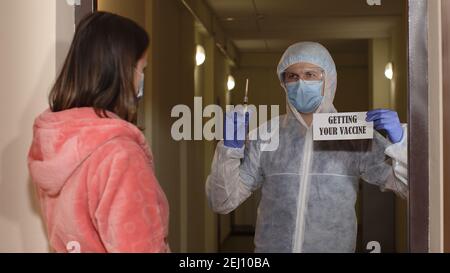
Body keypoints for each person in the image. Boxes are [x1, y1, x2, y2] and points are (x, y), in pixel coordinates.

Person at [206, 42, 407, 253]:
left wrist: (401, 143)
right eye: (292, 76)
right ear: (283, 83)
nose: (300, 83)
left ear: (328, 80)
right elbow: (222, 202)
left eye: (310, 74)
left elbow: (408, 186)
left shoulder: (352, 133)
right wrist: (229, 149)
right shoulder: (267, 136)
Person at [28, 12, 169, 253]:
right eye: (141, 68)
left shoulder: (55, 142)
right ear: (121, 72)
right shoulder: (120, 156)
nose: (141, 79)